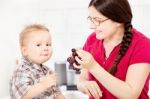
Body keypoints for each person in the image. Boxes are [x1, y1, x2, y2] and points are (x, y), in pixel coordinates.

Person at [73, 0, 150, 99]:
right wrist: (84, 85)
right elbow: (82, 79)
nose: (91, 26)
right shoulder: (92, 39)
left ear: (118, 20)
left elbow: (130, 94)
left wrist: (93, 66)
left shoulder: (142, 45)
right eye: (91, 19)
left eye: (98, 20)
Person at [10, 24, 65, 99]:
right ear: (25, 51)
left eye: (48, 44)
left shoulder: (48, 71)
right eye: (38, 45)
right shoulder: (21, 70)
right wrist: (43, 85)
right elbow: (22, 96)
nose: (45, 48)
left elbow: (57, 94)